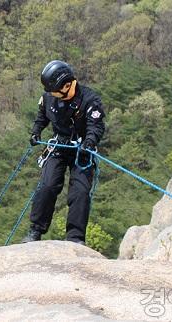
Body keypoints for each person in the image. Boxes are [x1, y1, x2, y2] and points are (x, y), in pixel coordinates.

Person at [22, 60, 105, 244]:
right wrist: (36, 131)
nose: (53, 96)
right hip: (59, 145)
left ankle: (75, 238)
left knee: (80, 192)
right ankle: (35, 231)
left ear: (67, 84)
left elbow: (96, 127)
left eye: (56, 92)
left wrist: (89, 142)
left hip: (82, 150)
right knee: (47, 185)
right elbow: (42, 116)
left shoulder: (90, 100)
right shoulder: (50, 97)